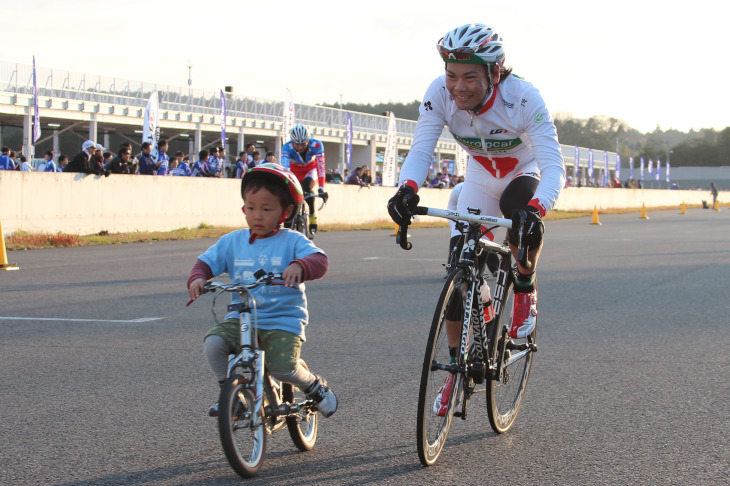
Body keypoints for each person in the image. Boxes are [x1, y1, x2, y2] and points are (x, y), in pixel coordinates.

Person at [387, 23, 565, 413]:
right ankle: (456, 369)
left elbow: (554, 167)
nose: (458, 86)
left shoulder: (523, 98)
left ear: (494, 73)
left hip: (523, 174)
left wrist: (538, 210)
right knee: (460, 272)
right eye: (452, 75)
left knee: (519, 213)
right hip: (480, 180)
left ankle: (524, 286)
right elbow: (421, 147)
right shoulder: (439, 93)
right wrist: (407, 188)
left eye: (470, 76)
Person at [187, 163, 337, 418]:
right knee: (214, 343)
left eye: (267, 209)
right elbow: (206, 261)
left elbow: (320, 261)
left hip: (282, 320)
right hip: (241, 317)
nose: (257, 216)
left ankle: (314, 386)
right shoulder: (233, 241)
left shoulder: (292, 240)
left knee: (282, 367)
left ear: (285, 211)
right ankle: (228, 393)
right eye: (251, 208)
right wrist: (198, 278)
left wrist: (300, 265)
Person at [280, 124, 327, 236]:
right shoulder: (287, 147)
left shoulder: (316, 145)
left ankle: (312, 214)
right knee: (289, 194)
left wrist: (321, 188)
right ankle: (288, 223)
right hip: (294, 172)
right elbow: (286, 170)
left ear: (308, 140)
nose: (300, 147)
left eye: (303, 144)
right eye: (297, 144)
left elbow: (321, 168)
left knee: (307, 187)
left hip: (310, 171)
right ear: (292, 142)